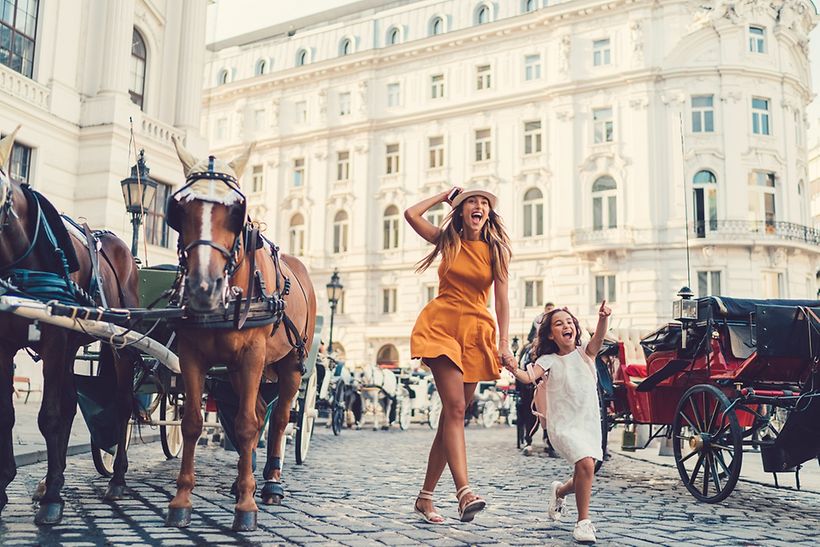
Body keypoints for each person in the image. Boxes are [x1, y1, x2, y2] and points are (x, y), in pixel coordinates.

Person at [405, 186, 514, 524]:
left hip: (476, 331)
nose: (478, 206)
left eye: (483, 203)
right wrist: (442, 196)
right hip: (441, 325)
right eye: (471, 202)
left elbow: (502, 299)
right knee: (454, 408)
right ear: (462, 210)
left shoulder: (496, 250)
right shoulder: (447, 241)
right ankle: (464, 491)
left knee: (452, 417)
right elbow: (411, 215)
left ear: (488, 213)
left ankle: (425, 497)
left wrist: (504, 342)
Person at [504, 301, 611, 544]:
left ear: (575, 328)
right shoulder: (549, 359)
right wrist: (511, 368)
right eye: (559, 323)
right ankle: (583, 522)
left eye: (569, 322)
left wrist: (602, 318)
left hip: (588, 421)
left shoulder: (586, 353)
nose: (566, 326)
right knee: (585, 464)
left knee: (586, 470)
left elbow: (599, 340)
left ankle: (560, 491)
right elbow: (528, 376)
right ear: (551, 334)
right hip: (563, 425)